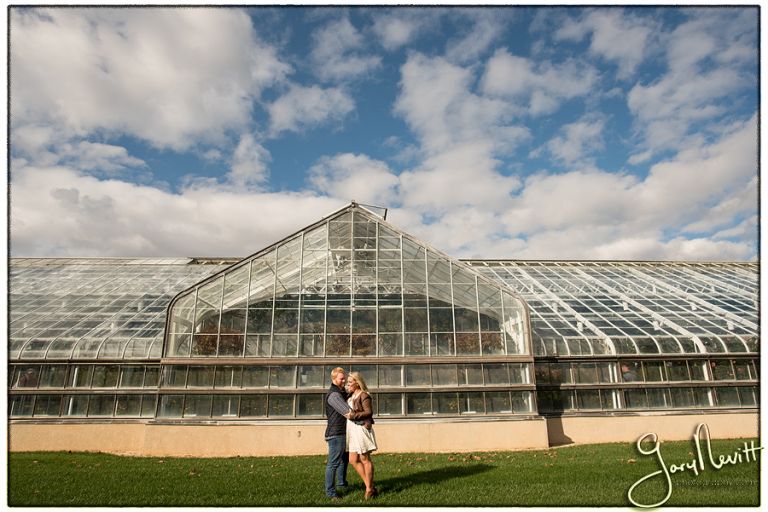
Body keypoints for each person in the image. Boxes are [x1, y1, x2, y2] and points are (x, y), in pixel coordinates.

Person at [344, 371, 378, 500]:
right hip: (352, 429)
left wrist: (353, 416)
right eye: (348, 382)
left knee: (364, 459)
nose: (348, 385)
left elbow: (369, 412)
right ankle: (370, 486)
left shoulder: (364, 395)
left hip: (361, 429)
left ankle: (369, 489)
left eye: (350, 382)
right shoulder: (352, 395)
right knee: (353, 460)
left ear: (357, 383)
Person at [324, 367, 351, 500]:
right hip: (336, 433)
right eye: (341, 378)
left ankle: (341, 484)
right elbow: (347, 412)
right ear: (334, 379)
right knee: (333, 463)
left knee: (343, 461)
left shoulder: (341, 392)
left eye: (344, 377)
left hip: (342, 432)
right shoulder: (334, 395)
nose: (344, 380)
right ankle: (330, 492)